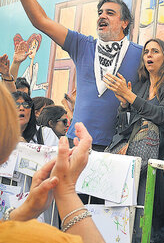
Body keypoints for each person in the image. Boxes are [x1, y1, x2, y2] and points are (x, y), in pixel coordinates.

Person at [0, 0, 142, 150]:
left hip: (116, 146)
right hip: (74, 141)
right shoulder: (82, 45)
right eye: (100, 12)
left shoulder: (142, 54)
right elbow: (41, 20)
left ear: (125, 23)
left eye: (110, 13)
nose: (103, 16)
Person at [0, 83, 105, 243]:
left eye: (26, 105)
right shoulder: (36, 237)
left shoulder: (44, 133)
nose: (21, 109)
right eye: (15, 105)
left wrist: (23, 212)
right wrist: (66, 191)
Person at [104, 38, 164, 243]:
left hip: (157, 159)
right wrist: (124, 105)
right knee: (125, 213)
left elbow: (162, 116)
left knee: (145, 216)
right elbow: (123, 127)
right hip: (132, 155)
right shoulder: (139, 86)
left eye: (155, 51)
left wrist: (130, 96)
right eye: (146, 52)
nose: (149, 56)